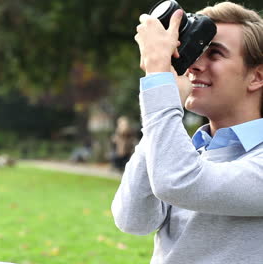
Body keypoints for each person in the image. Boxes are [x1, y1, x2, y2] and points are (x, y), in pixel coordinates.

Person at [111, 2, 263, 264]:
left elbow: (178, 182)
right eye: (196, 51)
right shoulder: (188, 151)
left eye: (214, 54)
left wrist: (158, 78)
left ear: (257, 77)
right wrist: (163, 101)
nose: (193, 65)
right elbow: (134, 219)